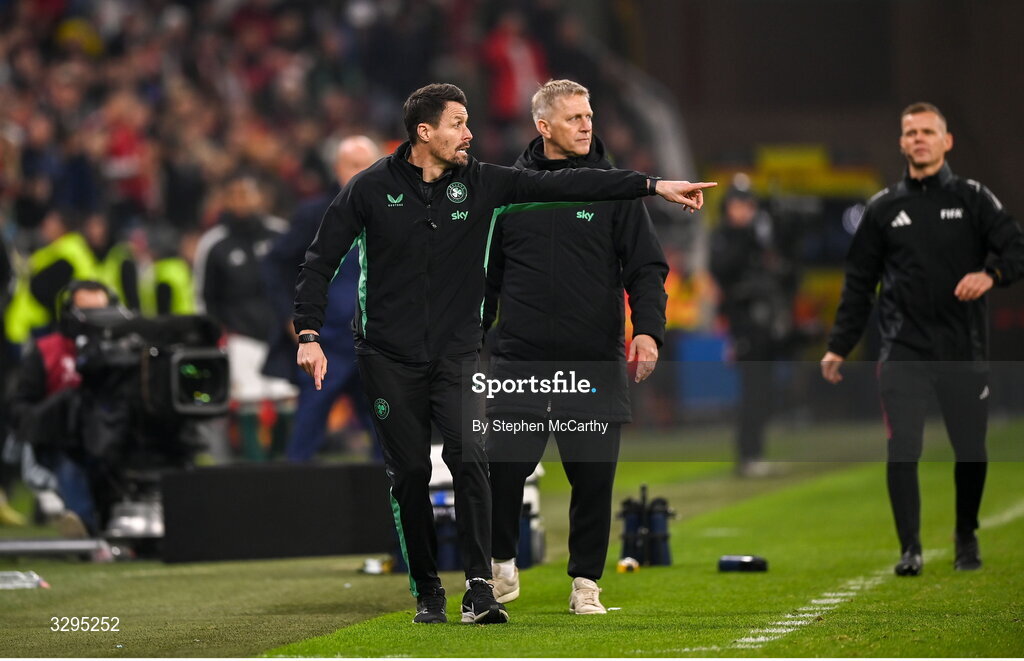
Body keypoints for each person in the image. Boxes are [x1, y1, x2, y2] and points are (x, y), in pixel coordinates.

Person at [293, 83, 714, 625]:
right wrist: (308, 334)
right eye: (458, 124)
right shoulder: (372, 189)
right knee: (414, 477)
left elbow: (583, 193)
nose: (470, 134)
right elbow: (320, 259)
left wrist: (653, 186)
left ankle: (488, 587)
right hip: (406, 357)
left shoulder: (488, 184)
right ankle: (435, 588)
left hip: (488, 358)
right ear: (425, 132)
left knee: (480, 463)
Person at [481, 80, 668, 614]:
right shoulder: (510, 193)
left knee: (592, 481)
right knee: (503, 470)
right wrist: (467, 340)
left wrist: (649, 330)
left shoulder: (617, 190)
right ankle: (500, 568)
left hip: (592, 359)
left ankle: (585, 583)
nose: (588, 125)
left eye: (589, 116)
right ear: (544, 127)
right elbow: (485, 281)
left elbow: (646, 269)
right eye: (575, 118)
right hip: (519, 359)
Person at [820, 102, 1024, 576]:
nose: (919, 139)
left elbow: (1017, 248)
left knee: (970, 448)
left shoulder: (975, 198)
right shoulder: (884, 208)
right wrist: (838, 344)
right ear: (901, 142)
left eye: (928, 131)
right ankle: (909, 548)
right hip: (903, 348)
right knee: (903, 447)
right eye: (911, 132)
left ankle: (966, 536)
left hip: (962, 348)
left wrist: (990, 273)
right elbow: (858, 283)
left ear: (946, 141)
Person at [262, 136, 381, 462]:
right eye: (353, 165)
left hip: (375, 343)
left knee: (387, 437)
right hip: (326, 343)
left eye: (368, 165)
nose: (361, 173)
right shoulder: (315, 213)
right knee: (306, 435)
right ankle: (295, 503)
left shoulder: (391, 211)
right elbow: (276, 263)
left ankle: (385, 509)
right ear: (337, 169)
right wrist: (291, 317)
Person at [194, 173, 295, 460]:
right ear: (226, 199)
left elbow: (300, 277)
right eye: (235, 194)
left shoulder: (281, 233)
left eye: (247, 193)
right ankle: (256, 471)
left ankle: (282, 465)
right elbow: (205, 296)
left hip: (281, 333)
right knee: (248, 402)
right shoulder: (214, 243)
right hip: (240, 337)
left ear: (260, 197)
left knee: (286, 401)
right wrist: (215, 334)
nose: (242, 200)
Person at [7, 281, 120, 536]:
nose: (91, 322)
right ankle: (85, 526)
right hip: (61, 442)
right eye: (84, 314)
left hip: (112, 439)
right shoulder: (47, 351)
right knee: (70, 465)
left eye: (99, 313)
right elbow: (20, 405)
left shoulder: (122, 351)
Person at [710, 180, 795, 477]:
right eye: (738, 205)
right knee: (752, 389)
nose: (744, 211)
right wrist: (747, 236)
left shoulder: (762, 238)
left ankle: (756, 451)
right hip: (743, 324)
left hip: (766, 321)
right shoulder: (724, 236)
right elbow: (722, 270)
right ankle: (748, 454)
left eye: (749, 205)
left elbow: (784, 270)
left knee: (767, 389)